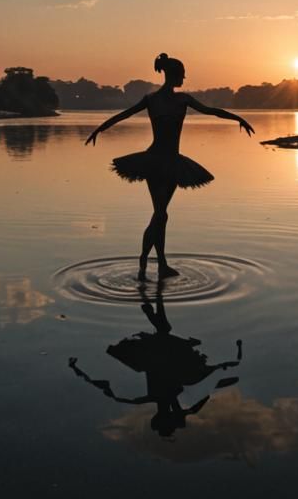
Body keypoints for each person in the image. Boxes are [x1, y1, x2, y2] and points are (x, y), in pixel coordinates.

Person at [85, 53, 254, 280]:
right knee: (161, 214)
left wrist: (238, 119)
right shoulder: (180, 99)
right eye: (182, 75)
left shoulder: (154, 99)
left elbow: (124, 115)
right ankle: (147, 261)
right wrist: (99, 129)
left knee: (161, 214)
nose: (184, 79)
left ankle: (157, 264)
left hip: (157, 160)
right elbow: (209, 111)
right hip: (164, 161)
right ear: (173, 75)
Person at [69, 285, 242, 438]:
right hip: (161, 360)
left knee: (164, 330)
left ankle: (154, 301)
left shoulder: (162, 398)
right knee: (164, 330)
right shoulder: (164, 399)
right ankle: (154, 302)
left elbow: (110, 392)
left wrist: (78, 370)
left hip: (158, 359)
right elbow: (193, 407)